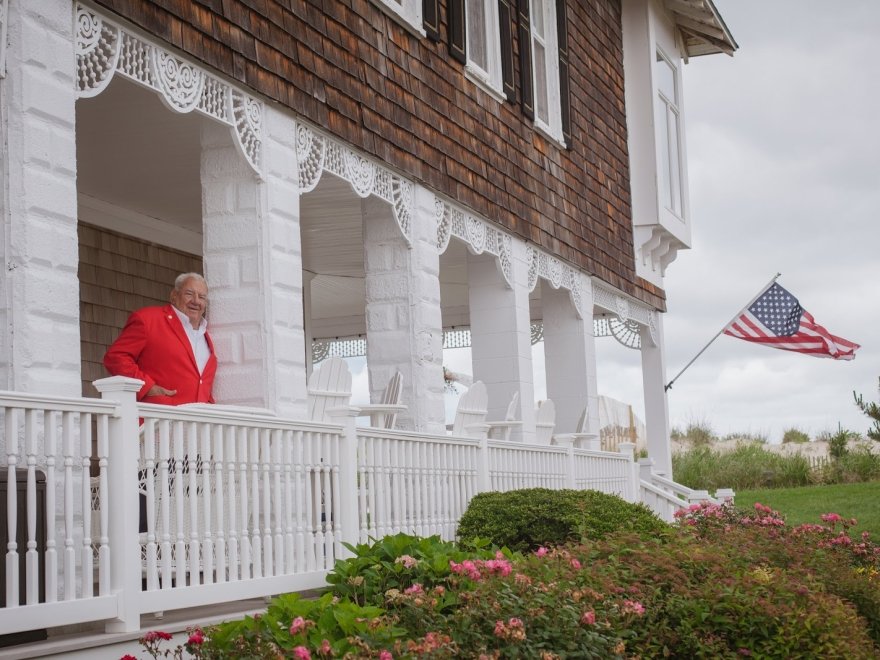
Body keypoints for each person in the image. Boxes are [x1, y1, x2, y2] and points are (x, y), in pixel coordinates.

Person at [103, 272, 217, 404]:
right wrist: (147, 387)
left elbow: (201, 382)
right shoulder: (148, 319)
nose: (196, 301)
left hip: (197, 422)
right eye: (189, 294)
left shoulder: (205, 335)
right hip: (158, 419)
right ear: (174, 296)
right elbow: (116, 357)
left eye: (202, 297)